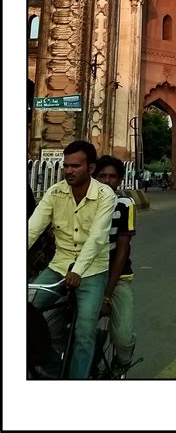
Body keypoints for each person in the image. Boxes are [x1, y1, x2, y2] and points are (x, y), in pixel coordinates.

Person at [28, 140, 116, 379]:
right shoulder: (55, 192)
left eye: (75, 166)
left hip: (90, 271)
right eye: (66, 166)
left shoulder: (104, 195)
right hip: (59, 266)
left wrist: (78, 270)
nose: (69, 171)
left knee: (84, 330)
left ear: (90, 168)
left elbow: (97, 237)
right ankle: (52, 368)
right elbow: (32, 229)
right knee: (27, 311)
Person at [95, 155, 137, 376]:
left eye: (112, 177)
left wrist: (107, 295)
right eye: (102, 176)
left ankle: (122, 363)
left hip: (117, 276)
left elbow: (122, 252)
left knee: (122, 335)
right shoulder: (80, 201)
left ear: (119, 181)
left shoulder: (124, 205)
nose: (107, 181)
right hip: (83, 275)